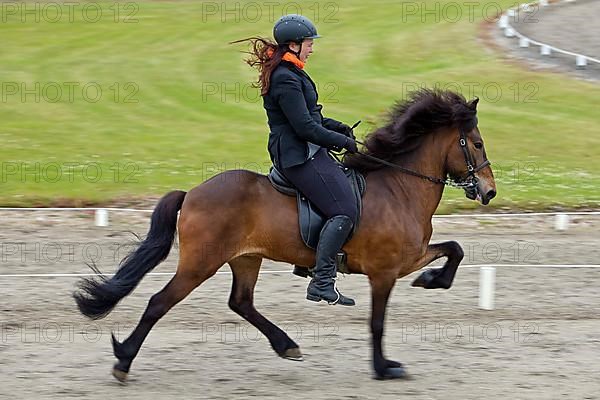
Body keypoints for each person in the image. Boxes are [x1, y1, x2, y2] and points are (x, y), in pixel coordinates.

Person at [235, 14, 359, 306]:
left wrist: (338, 127)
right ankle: (322, 281)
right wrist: (341, 142)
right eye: (308, 43)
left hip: (307, 148)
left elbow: (311, 118)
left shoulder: (292, 71)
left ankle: (307, 260)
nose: (312, 49)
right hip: (297, 154)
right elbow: (304, 128)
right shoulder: (285, 78)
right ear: (293, 45)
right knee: (344, 209)